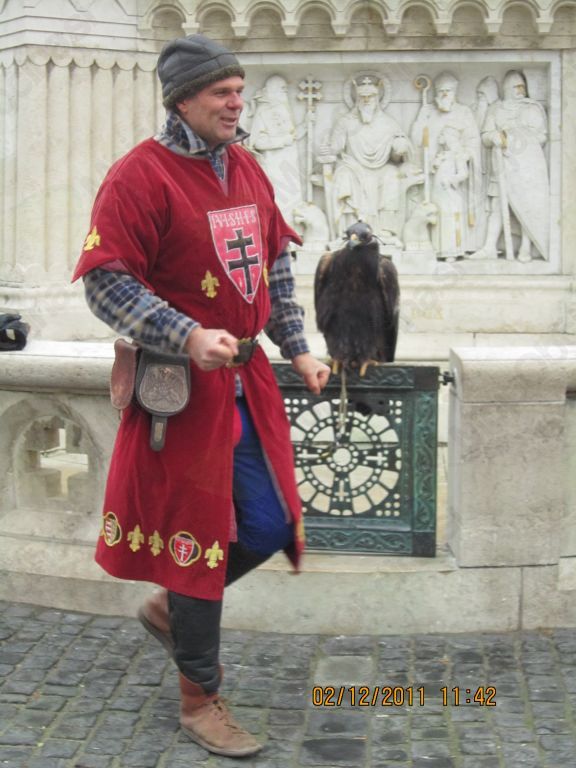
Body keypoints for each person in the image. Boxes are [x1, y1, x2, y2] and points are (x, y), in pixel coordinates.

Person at [72, 34, 330, 758]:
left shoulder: (246, 166)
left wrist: (298, 347)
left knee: (270, 523)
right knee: (197, 540)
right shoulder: (139, 176)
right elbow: (106, 283)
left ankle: (169, 611)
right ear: (182, 99)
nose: (236, 102)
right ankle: (199, 700)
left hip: (247, 384)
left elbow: (273, 267)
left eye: (239, 90)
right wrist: (184, 333)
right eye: (222, 92)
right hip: (180, 393)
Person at [318, 74, 413, 242]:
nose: (367, 100)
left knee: (392, 175)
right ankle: (349, 228)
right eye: (363, 97)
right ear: (357, 99)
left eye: (371, 96)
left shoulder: (388, 123)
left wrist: (400, 149)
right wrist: (327, 150)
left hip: (381, 169)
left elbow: (397, 158)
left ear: (378, 99)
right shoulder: (346, 122)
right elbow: (336, 147)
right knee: (343, 175)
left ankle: (385, 230)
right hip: (353, 167)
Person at [470, 69, 549, 262]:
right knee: (497, 206)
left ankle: (525, 247)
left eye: (522, 86)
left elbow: (541, 137)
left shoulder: (532, 108)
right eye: (516, 87)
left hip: (526, 168)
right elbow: (485, 135)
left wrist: (513, 137)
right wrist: (494, 137)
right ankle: (489, 246)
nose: (520, 91)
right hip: (501, 166)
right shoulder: (496, 109)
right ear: (507, 88)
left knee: (526, 206)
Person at [410, 71, 482, 253]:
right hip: (432, 172)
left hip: (454, 176)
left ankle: (455, 248)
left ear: (454, 92)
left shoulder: (464, 113)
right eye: (440, 91)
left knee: (451, 212)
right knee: (434, 211)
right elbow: (416, 140)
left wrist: (461, 157)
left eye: (447, 91)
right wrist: (422, 118)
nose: (444, 94)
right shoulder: (428, 111)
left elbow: (473, 141)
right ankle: (436, 246)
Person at [247, 74, 304, 228]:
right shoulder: (263, 112)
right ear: (272, 90)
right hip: (273, 164)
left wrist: (306, 124)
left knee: (291, 195)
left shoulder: (283, 109)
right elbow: (257, 142)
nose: (285, 93)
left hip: (289, 162)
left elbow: (291, 135)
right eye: (282, 89)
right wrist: (283, 141)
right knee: (279, 196)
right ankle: (278, 230)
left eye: (286, 89)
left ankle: (292, 229)